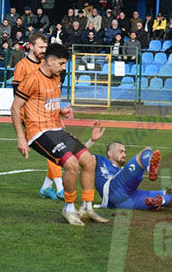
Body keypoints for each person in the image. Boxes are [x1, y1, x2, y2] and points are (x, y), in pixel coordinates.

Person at [11, 43, 107, 226]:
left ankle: (87, 208)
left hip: (56, 128)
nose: (64, 68)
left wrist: (61, 111)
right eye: (61, 63)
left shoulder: (56, 77)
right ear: (50, 61)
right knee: (71, 165)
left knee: (89, 161)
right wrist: (21, 138)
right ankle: (69, 208)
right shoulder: (32, 79)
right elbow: (15, 107)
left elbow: (45, 102)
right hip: (38, 132)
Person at [12, 32, 65, 201]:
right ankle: (61, 188)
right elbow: (18, 97)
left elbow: (49, 94)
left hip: (48, 115)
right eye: (41, 47)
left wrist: (58, 111)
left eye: (45, 47)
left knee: (57, 149)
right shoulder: (22, 66)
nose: (44, 50)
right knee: (54, 149)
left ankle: (46, 187)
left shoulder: (46, 64)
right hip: (32, 117)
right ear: (30, 46)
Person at [85, 123, 172, 210]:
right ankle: (150, 168)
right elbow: (80, 156)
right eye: (121, 151)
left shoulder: (120, 171)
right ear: (109, 153)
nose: (124, 154)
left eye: (125, 152)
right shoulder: (100, 160)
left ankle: (162, 201)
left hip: (123, 201)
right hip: (112, 188)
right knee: (145, 151)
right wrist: (91, 141)